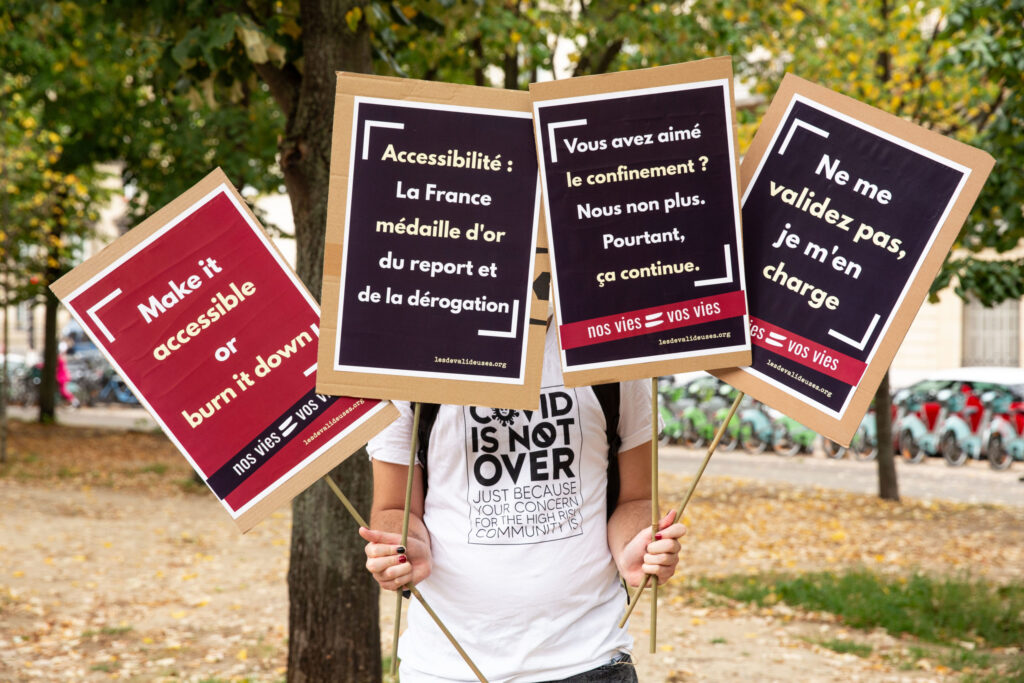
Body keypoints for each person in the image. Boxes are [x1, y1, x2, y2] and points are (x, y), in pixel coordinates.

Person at [360, 322, 686, 682]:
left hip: (591, 660)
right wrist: (403, 545)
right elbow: (394, 507)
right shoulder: (409, 357)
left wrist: (635, 545)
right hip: (445, 666)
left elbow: (637, 497)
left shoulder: (609, 342)